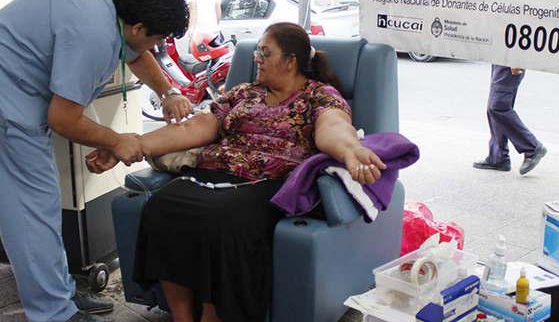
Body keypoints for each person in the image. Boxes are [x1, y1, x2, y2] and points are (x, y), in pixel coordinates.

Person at [86, 22, 387, 322]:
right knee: (162, 207)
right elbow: (196, 127)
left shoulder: (319, 95)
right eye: (257, 51)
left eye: (265, 53)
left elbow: (333, 127)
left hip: (267, 183)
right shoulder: (243, 93)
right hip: (214, 174)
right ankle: (181, 317)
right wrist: (132, 145)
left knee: (223, 221)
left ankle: (212, 316)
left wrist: (350, 150)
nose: (257, 58)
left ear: (290, 61)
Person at [0, 0, 193, 322]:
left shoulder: (108, 7)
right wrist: (115, 141)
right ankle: (54, 313)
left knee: (42, 207)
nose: (157, 45)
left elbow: (135, 54)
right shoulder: (95, 36)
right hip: (8, 111)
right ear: (137, 27)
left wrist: (169, 92)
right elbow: (63, 119)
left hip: (17, 98)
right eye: (158, 37)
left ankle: (59, 295)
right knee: (31, 214)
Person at [473, 65, 547, 175]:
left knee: (498, 107)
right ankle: (498, 156)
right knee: (494, 109)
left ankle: (532, 147)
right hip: (502, 60)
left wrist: (515, 61)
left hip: (508, 61)